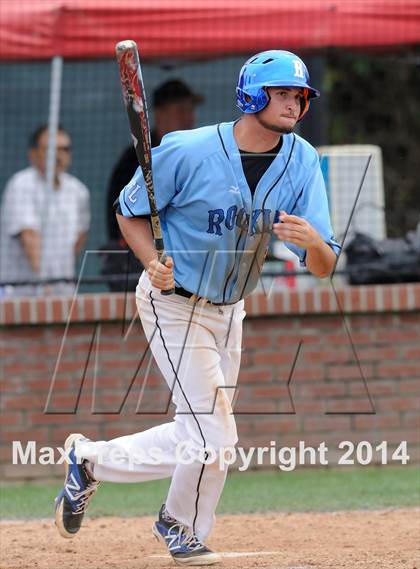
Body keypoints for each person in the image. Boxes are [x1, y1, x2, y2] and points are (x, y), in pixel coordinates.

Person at [54, 51, 341, 565]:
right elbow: (129, 211)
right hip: (173, 302)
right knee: (215, 431)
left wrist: (315, 241)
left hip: (230, 309)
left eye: (299, 95)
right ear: (252, 96)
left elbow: (323, 264)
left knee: (205, 432)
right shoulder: (186, 150)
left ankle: (89, 461)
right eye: (281, 93)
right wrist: (151, 261)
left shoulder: (301, 161)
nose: (295, 103)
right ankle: (178, 524)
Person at [0, 125, 90, 296]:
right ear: (33, 154)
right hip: (20, 294)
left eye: (64, 149)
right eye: (49, 148)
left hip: (63, 292)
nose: (57, 155)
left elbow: (79, 240)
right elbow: (29, 237)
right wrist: (44, 283)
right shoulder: (21, 185)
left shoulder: (78, 191)